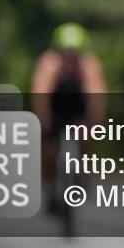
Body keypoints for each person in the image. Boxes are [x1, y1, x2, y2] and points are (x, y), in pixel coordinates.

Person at [31, 23, 107, 200]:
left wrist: (95, 122)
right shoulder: (48, 63)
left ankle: (82, 172)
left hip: (77, 110)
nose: (70, 57)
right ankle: (50, 185)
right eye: (65, 52)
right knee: (50, 151)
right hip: (55, 109)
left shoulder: (89, 65)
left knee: (85, 138)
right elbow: (40, 95)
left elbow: (97, 95)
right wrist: (45, 122)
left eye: (75, 52)